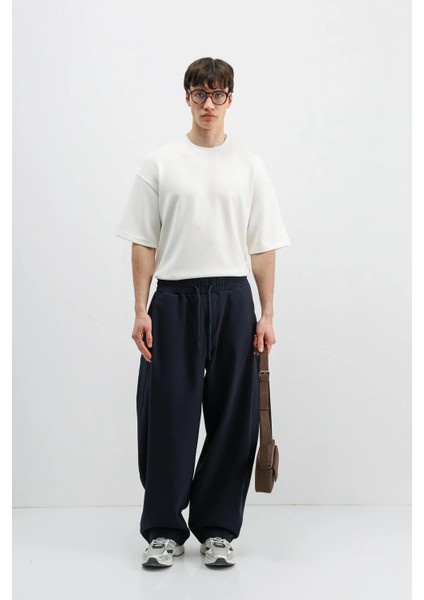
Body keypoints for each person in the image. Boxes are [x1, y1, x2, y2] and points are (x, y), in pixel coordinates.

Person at [116, 57, 291, 568]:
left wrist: (267, 313)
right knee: (165, 415)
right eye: (199, 94)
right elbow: (143, 241)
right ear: (187, 97)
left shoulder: (249, 165)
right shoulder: (160, 163)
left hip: (234, 300)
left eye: (217, 94)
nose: (208, 103)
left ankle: (217, 530)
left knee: (235, 420)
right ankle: (164, 530)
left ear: (230, 100)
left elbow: (262, 246)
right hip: (172, 301)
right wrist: (139, 308)